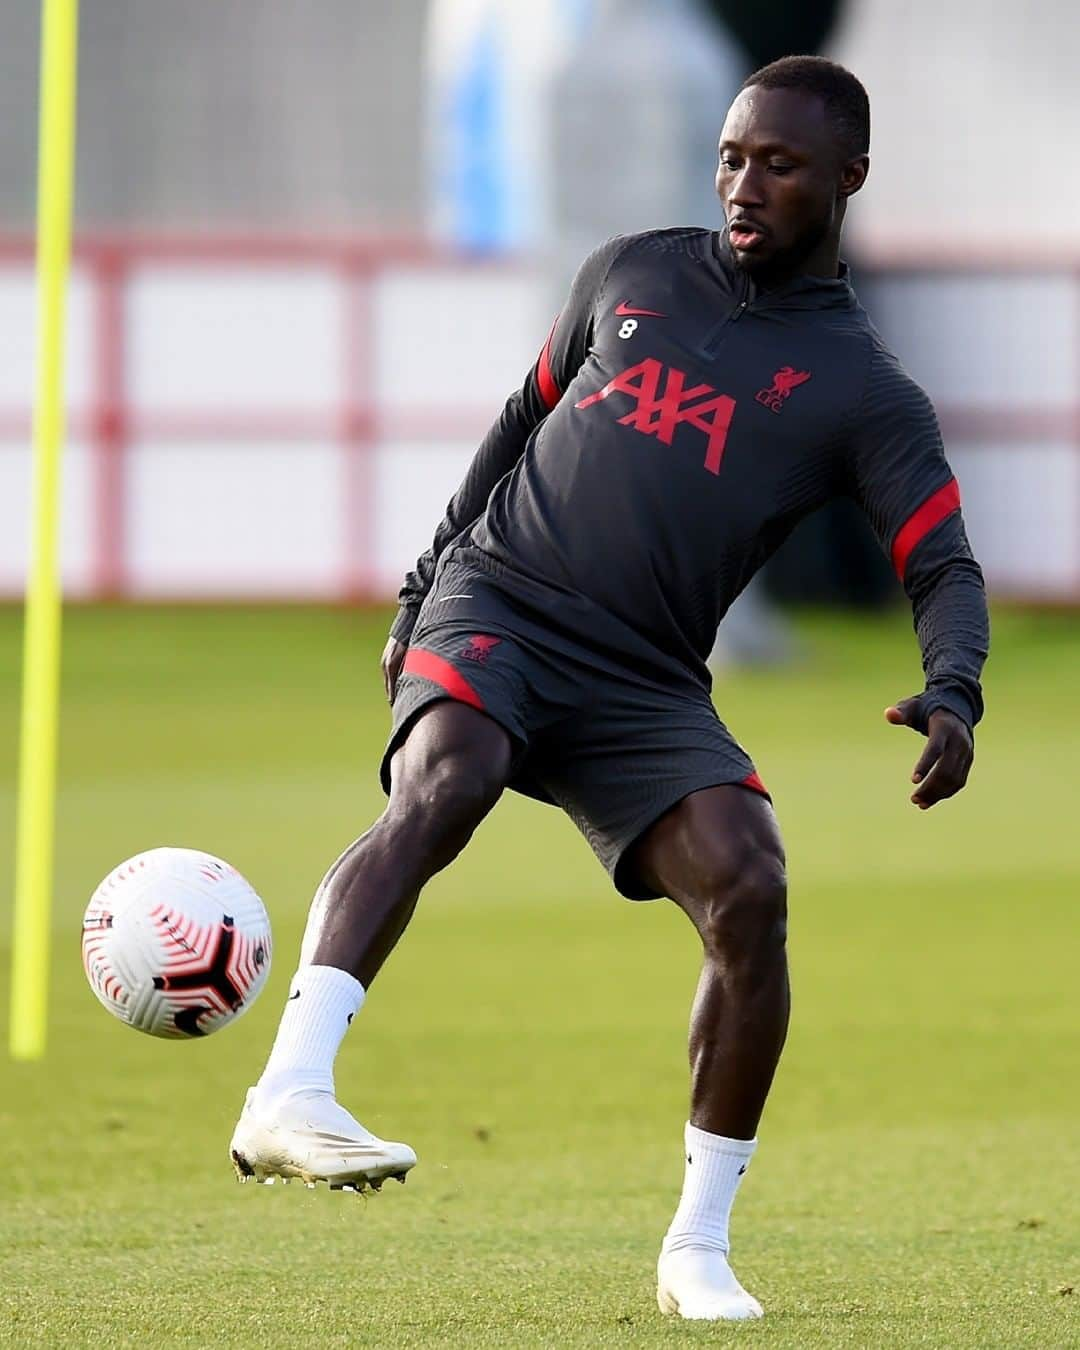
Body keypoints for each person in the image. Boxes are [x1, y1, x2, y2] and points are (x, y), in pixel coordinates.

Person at [230, 55, 989, 1322]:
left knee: (751, 884)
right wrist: (426, 583)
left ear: (848, 180)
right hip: (503, 600)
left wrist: (954, 688)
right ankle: (289, 1093)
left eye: (781, 165)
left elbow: (943, 561)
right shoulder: (632, 269)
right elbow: (514, 428)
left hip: (641, 680)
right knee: (451, 775)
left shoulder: (864, 389)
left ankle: (698, 1244)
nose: (745, 183)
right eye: (734, 156)